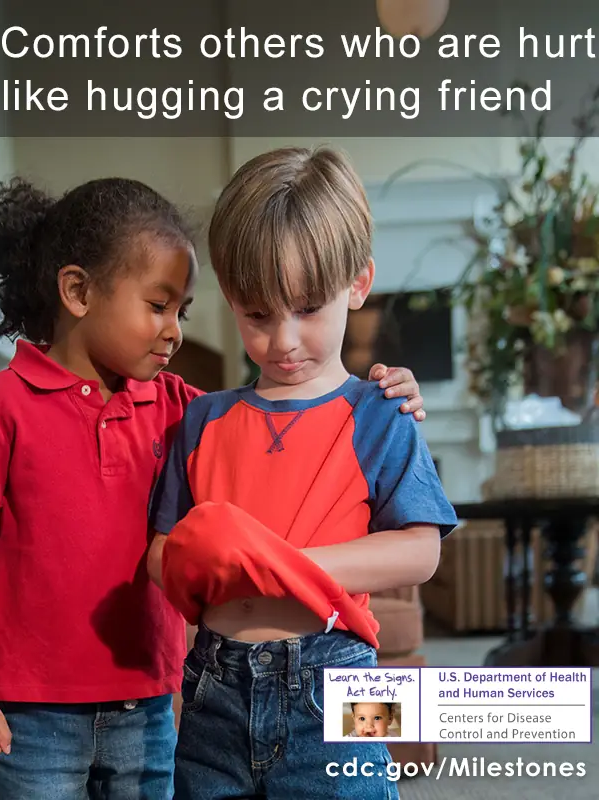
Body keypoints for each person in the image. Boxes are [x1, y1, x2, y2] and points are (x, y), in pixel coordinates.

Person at [0, 173, 430, 800]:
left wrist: (389, 393)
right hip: (43, 703)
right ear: (78, 292)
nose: (174, 330)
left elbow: (279, 412)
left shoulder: (183, 408)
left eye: (183, 311)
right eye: (158, 306)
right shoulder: (2, 407)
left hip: (155, 694)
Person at [147, 146, 458, 800]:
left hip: (342, 672)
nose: (284, 340)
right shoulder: (202, 421)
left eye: (309, 307)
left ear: (358, 283)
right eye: (257, 314)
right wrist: (197, 561)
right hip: (214, 682)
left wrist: (277, 565)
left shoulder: (381, 411)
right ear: (231, 299)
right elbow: (160, 553)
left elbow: (421, 551)